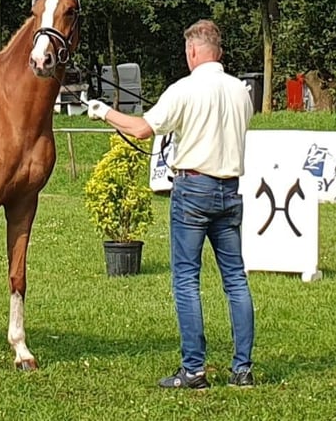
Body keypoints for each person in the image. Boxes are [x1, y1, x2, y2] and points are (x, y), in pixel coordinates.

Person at [86, 19, 256, 390]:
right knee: (235, 281)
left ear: (193, 51)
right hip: (230, 190)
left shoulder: (184, 89)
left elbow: (142, 129)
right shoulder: (241, 92)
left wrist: (104, 113)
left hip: (193, 189)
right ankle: (242, 368)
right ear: (220, 52)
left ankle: (193, 369)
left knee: (186, 280)